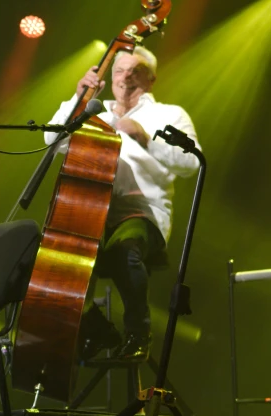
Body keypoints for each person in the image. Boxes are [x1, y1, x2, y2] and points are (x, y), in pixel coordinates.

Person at [45, 47, 200, 361]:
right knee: (58, 264)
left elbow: (191, 162)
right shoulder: (94, 111)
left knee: (124, 250)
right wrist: (77, 99)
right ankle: (97, 328)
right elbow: (52, 140)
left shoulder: (169, 115)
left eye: (136, 71)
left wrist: (147, 138)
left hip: (143, 213)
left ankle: (138, 332)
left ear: (151, 80)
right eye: (120, 70)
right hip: (89, 211)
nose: (126, 76)